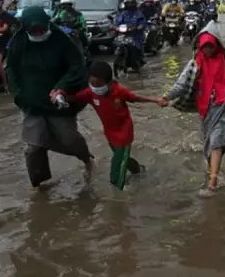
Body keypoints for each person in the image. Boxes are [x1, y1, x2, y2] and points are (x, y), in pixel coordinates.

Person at [6, 6, 93, 189]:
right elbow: (11, 68)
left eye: (41, 30)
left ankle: (87, 160)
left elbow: (77, 67)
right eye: (33, 31)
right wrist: (17, 92)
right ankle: (38, 187)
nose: (38, 34)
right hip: (31, 101)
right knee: (33, 148)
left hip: (59, 100)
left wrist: (61, 87)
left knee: (69, 139)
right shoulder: (19, 41)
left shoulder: (62, 40)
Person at [163, 21, 225, 192]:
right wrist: (167, 97)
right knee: (210, 142)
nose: (207, 50)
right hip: (205, 108)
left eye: (210, 47)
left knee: (216, 141)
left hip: (222, 106)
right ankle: (212, 170)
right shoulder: (195, 64)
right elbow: (181, 84)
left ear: (216, 45)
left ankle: (212, 182)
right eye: (204, 47)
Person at [67, 61, 166, 190]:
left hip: (124, 133)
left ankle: (118, 192)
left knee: (117, 171)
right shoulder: (90, 93)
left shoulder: (119, 91)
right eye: (92, 83)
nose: (95, 87)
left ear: (109, 82)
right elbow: (74, 97)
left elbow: (136, 98)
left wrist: (156, 100)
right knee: (123, 158)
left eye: (99, 84)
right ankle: (138, 170)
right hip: (109, 133)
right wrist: (59, 94)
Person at [114, 0, 146, 64]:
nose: (129, 6)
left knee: (138, 46)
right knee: (118, 44)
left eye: (130, 4)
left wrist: (138, 27)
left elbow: (142, 23)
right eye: (128, 4)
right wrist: (116, 27)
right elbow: (118, 22)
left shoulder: (138, 13)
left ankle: (140, 58)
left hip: (136, 35)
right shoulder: (123, 14)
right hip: (125, 35)